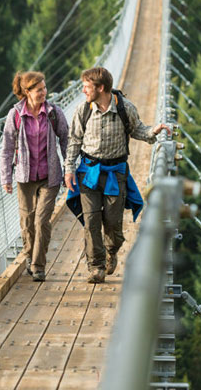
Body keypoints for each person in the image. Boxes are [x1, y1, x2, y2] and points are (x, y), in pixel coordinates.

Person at [64, 67, 170, 284]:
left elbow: (137, 129)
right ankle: (96, 267)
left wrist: (153, 131)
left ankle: (111, 251)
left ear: (100, 88)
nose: (83, 91)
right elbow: (74, 140)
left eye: (87, 87)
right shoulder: (83, 110)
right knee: (91, 220)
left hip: (115, 173)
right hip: (88, 173)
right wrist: (69, 169)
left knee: (113, 223)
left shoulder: (125, 108)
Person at [0, 71, 69, 282]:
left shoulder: (54, 113)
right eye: (39, 90)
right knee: (27, 223)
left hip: (50, 176)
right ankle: (30, 256)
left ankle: (38, 266)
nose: (44, 92)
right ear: (27, 92)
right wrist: (6, 178)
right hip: (25, 177)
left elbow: (66, 140)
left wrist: (69, 169)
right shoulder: (15, 115)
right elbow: (7, 148)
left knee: (41, 221)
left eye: (44, 88)